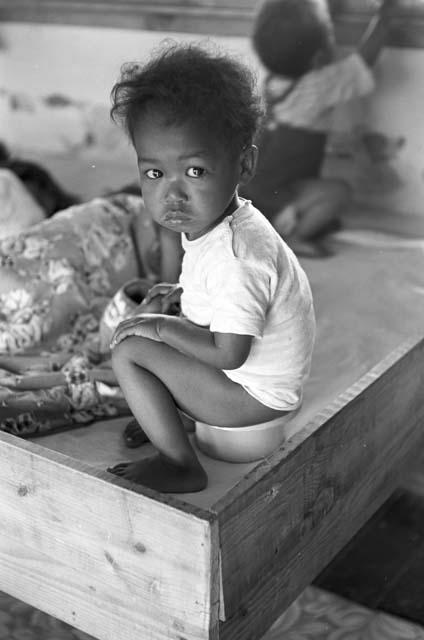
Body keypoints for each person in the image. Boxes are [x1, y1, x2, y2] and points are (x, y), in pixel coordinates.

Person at [107, 42, 316, 493]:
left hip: (254, 397)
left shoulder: (238, 256)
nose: (173, 195)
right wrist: (177, 300)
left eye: (195, 172)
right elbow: (214, 296)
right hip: (242, 380)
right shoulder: (220, 223)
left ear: (245, 164)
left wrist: (161, 328)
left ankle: (180, 463)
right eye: (155, 174)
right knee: (165, 319)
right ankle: (164, 412)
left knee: (130, 349)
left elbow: (229, 354)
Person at [240, 0, 395, 256]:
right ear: (317, 57)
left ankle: (285, 222)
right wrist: (385, 15)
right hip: (277, 201)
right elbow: (363, 63)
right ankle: (294, 239)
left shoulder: (268, 82)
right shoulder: (318, 87)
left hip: (252, 196)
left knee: (309, 187)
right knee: (339, 192)